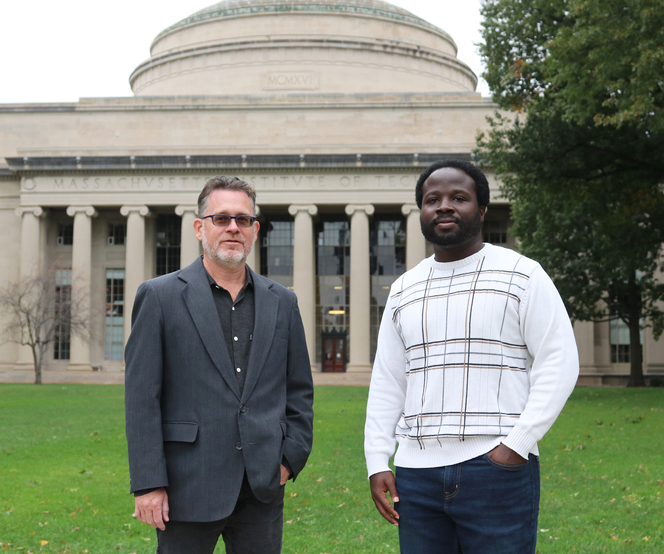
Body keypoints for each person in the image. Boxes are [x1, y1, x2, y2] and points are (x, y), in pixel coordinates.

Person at [364, 160, 579, 553]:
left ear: (481, 210)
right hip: (416, 474)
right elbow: (388, 380)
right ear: (422, 212)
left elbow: (559, 361)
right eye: (433, 199)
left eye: (458, 198)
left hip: (497, 469)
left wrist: (517, 444)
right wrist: (378, 460)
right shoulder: (402, 290)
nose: (444, 206)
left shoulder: (522, 275)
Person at [125, 176, 314, 554]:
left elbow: (299, 390)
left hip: (262, 485)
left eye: (243, 220)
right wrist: (148, 483)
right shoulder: (159, 297)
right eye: (221, 218)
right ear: (200, 227)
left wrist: (290, 458)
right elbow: (142, 398)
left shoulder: (283, 302)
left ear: (255, 230)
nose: (233, 228)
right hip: (187, 484)